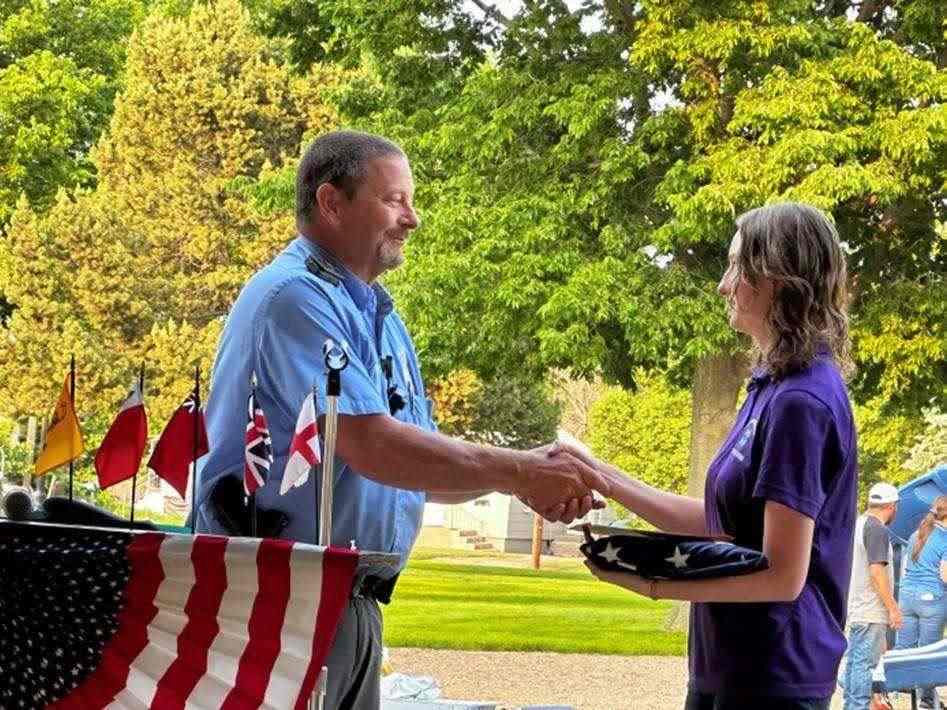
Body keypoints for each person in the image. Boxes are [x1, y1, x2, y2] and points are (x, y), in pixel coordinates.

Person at [193, 130, 607, 710]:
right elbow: (371, 445)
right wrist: (520, 470)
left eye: (410, 200)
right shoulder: (294, 299)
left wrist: (528, 474)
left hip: (347, 607)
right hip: (277, 606)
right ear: (331, 202)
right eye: (394, 200)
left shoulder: (383, 321)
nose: (412, 219)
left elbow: (417, 466)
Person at [551, 202, 858, 709]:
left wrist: (654, 583)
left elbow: (784, 574)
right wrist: (603, 476)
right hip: (731, 666)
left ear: (779, 279)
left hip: (773, 676)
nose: (723, 284)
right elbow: (723, 524)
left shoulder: (802, 401)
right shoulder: (772, 388)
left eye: (737, 267)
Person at [840, 482, 903, 710]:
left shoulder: (857, 524)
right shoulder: (877, 528)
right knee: (863, 667)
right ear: (892, 506)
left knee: (855, 665)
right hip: (869, 609)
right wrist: (892, 608)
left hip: (856, 607)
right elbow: (877, 571)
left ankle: (851, 706)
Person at [893, 495, 947, 709]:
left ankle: (895, 696)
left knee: (905, 650)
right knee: (929, 654)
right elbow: (945, 576)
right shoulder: (945, 538)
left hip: (907, 598)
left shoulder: (917, 534)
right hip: (931, 601)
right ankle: (926, 702)